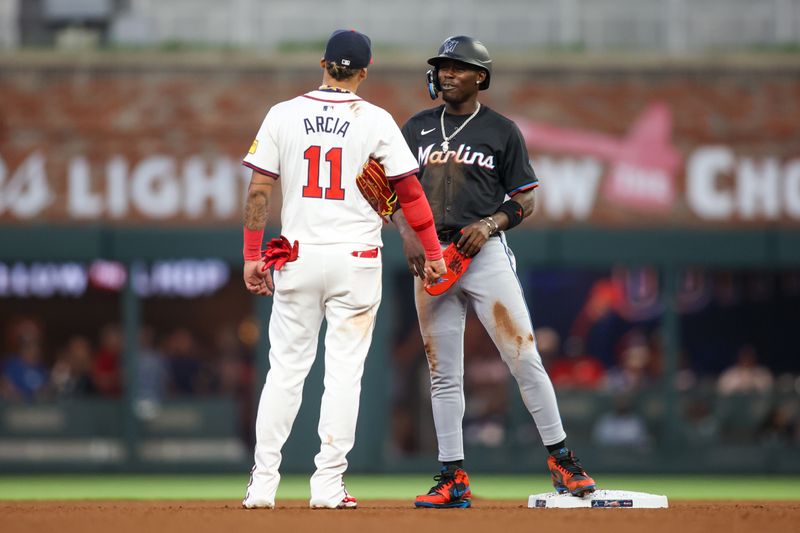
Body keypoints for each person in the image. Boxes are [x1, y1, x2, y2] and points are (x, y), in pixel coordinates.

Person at [240, 29, 446, 510]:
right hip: (356, 258)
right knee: (344, 375)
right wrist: (433, 252)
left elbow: (258, 192)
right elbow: (411, 195)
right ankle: (328, 485)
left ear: (323, 63)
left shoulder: (282, 114)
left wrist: (252, 254)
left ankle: (263, 483)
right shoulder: (374, 120)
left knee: (285, 373)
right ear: (364, 71)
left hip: (298, 255)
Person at [393, 35, 596, 508]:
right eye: (442, 66)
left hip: (482, 253)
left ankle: (562, 458)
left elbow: (526, 198)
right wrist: (405, 233)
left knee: (523, 356)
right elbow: (391, 190)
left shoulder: (501, 130)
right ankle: (452, 475)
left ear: (480, 77)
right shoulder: (417, 127)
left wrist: (489, 224)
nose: (445, 73)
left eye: (456, 67)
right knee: (442, 372)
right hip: (433, 253)